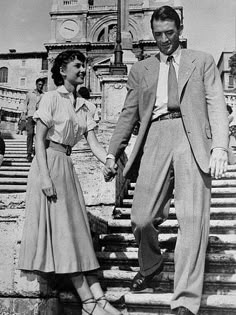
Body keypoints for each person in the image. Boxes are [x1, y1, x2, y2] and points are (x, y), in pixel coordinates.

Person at [104, 5, 228, 315]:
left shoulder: (202, 61)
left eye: (169, 33)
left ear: (180, 29)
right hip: (156, 138)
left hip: (192, 140)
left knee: (192, 220)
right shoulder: (141, 69)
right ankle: (152, 264)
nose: (164, 41)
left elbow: (215, 103)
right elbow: (127, 115)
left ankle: (185, 299)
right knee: (141, 217)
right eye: (158, 35)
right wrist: (112, 152)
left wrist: (221, 147)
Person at [18, 50, 120, 315]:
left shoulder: (86, 106)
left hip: (67, 166)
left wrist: (108, 161)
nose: (83, 70)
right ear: (63, 71)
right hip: (49, 165)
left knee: (78, 234)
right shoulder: (50, 99)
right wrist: (44, 177)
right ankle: (87, 301)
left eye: (84, 66)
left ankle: (99, 298)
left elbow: (94, 143)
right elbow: (39, 140)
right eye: (78, 65)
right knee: (64, 235)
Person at [24, 78, 45, 162]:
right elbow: (25, 104)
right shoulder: (30, 94)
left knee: (39, 136)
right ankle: (29, 153)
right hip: (30, 116)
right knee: (30, 134)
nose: (41, 86)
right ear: (36, 85)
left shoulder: (44, 95)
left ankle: (36, 152)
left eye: (42, 85)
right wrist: (24, 114)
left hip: (39, 117)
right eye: (39, 84)